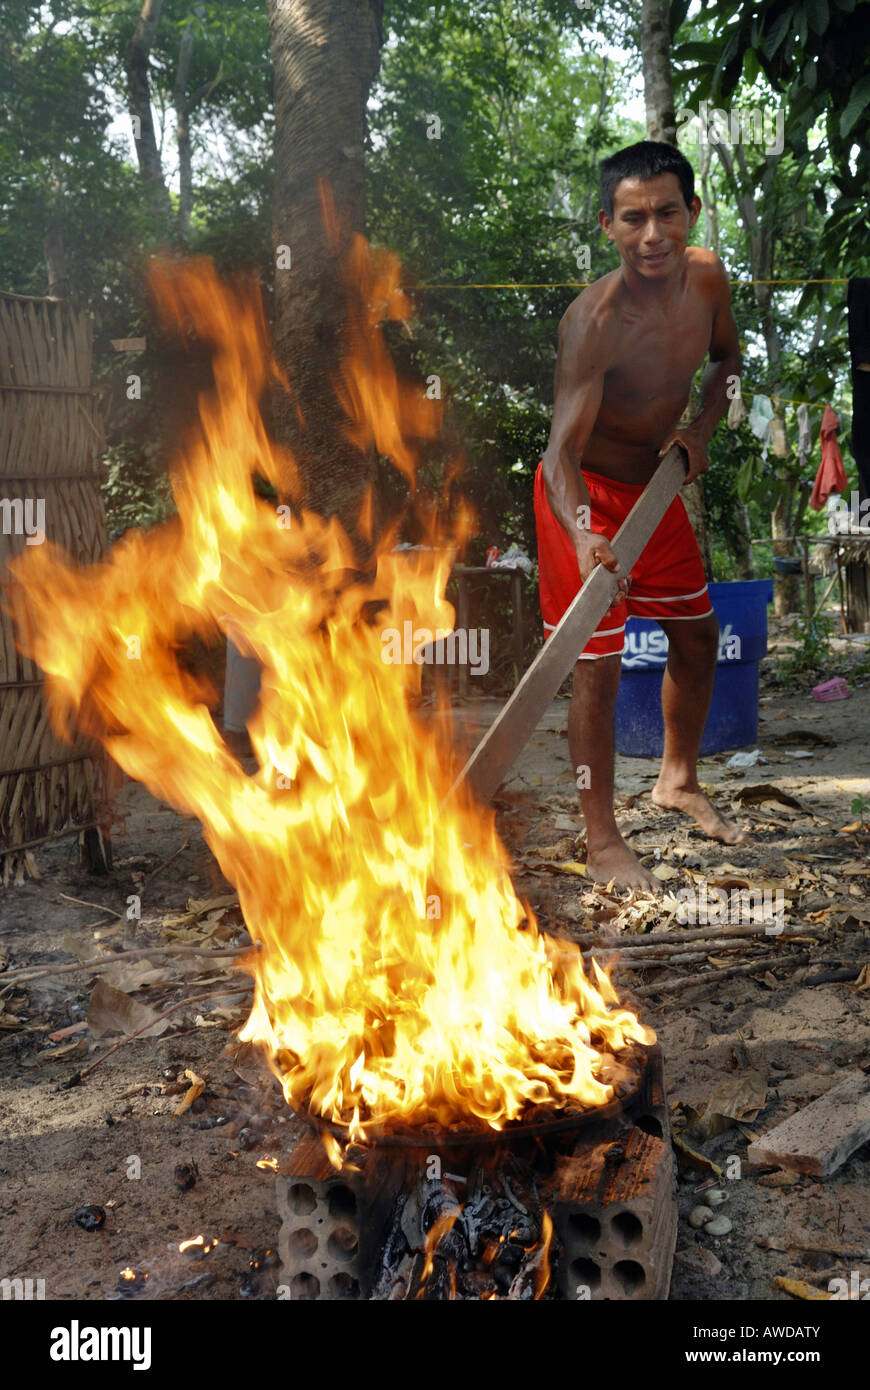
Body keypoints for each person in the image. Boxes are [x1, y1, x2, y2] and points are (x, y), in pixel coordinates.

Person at [535, 140, 743, 892]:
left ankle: (676, 779)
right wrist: (584, 530)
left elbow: (727, 363)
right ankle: (601, 838)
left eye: (666, 213)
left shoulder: (709, 280)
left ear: (692, 212)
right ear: (607, 226)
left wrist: (701, 431)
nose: (652, 234)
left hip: (657, 488)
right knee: (597, 666)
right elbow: (560, 451)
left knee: (697, 634)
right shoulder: (593, 321)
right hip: (584, 494)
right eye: (633, 218)